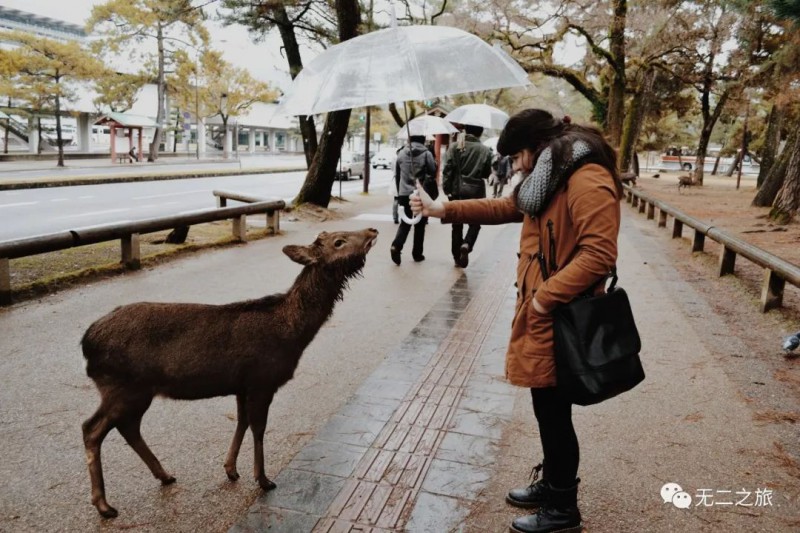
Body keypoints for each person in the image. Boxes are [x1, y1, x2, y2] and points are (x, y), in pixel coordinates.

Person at [411, 109, 622, 533]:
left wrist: (544, 299)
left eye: (519, 156)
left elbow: (600, 255)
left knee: (555, 410)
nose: (518, 165)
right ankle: (553, 483)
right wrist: (443, 210)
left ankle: (563, 508)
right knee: (546, 406)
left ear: (537, 147)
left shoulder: (586, 177)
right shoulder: (551, 175)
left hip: (562, 312)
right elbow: (507, 206)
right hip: (545, 310)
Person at [442, 124, 493, 268]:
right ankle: (467, 244)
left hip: (457, 190)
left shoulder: (455, 147)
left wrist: (447, 190)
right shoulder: (485, 150)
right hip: (476, 191)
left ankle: (456, 256)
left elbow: (447, 170)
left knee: (456, 224)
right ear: (481, 133)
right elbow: (486, 173)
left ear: (465, 130)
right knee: (475, 222)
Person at [390, 135, 437, 264]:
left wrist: (400, 193)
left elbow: (398, 175)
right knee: (420, 225)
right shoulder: (427, 153)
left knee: (405, 223)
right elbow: (433, 171)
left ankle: (396, 246)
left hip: (404, 193)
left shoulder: (401, 153)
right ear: (423, 140)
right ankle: (417, 254)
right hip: (420, 193)